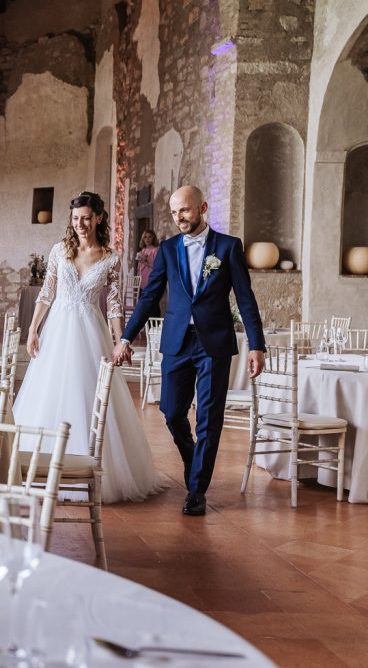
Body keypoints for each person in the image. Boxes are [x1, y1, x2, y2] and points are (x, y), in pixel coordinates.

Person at [113, 185, 265, 517]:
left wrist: (256, 344)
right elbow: (150, 296)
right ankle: (193, 458)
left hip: (214, 343)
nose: (179, 217)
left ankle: (197, 489)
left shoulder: (228, 247)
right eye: (174, 212)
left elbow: (245, 298)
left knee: (209, 417)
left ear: (203, 208)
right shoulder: (168, 249)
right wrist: (125, 337)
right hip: (177, 341)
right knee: (171, 411)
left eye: (184, 210)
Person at [13, 191, 162, 503]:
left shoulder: (110, 258)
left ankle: (88, 465)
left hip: (92, 333)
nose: (80, 224)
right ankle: (41, 465)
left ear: (98, 218)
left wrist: (120, 341)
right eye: (75, 218)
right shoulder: (59, 250)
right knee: (50, 391)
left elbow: (114, 305)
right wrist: (33, 329)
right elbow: (47, 293)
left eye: (86, 218)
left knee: (90, 393)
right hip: (57, 331)